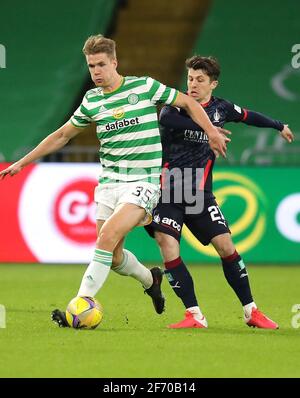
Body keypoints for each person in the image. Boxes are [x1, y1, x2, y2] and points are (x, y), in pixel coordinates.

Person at [0, 36, 229, 327]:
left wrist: (209, 130)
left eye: (101, 64)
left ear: (114, 63)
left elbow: (185, 101)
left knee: (106, 238)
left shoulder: (143, 86)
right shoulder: (92, 100)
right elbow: (62, 135)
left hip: (143, 182)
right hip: (109, 183)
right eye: (91, 65)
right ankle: (151, 279)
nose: (96, 71)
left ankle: (80, 306)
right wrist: (22, 162)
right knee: (115, 254)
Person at [145, 55, 294, 329]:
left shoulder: (221, 108)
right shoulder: (176, 106)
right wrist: (210, 130)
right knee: (167, 245)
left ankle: (251, 311)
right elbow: (167, 120)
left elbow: (249, 116)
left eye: (200, 80)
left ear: (213, 83)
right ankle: (194, 315)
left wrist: (278, 125)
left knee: (226, 246)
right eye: (190, 78)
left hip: (200, 194)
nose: (193, 84)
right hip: (169, 192)